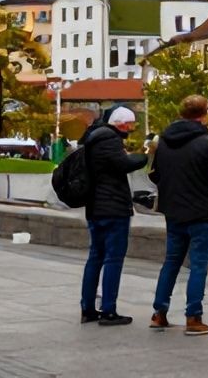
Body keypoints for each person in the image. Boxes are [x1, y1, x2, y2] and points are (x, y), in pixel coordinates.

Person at [148, 95, 208, 335]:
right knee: (198, 265)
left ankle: (159, 314)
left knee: (171, 262)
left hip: (173, 210)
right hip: (201, 211)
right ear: (204, 115)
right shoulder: (207, 141)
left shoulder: (163, 140)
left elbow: (155, 174)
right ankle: (194, 318)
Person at [79, 106, 148, 326]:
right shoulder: (109, 140)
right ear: (121, 123)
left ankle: (88, 308)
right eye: (130, 124)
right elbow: (124, 164)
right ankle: (109, 309)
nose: (131, 128)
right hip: (113, 208)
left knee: (95, 257)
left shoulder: (93, 138)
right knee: (113, 259)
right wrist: (145, 156)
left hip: (95, 206)